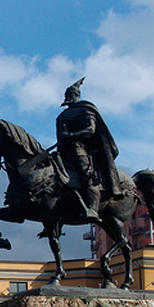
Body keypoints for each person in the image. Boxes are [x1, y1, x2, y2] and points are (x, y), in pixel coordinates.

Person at [56, 77, 122, 222]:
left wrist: (71, 135)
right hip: (65, 150)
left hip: (83, 149)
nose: (67, 98)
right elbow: (60, 136)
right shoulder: (62, 116)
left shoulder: (86, 110)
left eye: (70, 95)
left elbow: (91, 130)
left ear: (76, 96)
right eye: (66, 96)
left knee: (87, 176)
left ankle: (93, 207)